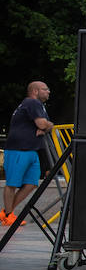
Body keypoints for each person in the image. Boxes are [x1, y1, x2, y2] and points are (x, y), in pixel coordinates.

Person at [4, 81, 54, 226]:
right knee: (12, 184)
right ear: (35, 91)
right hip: (18, 149)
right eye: (45, 89)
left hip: (32, 149)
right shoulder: (32, 103)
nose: (48, 92)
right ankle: (8, 215)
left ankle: (7, 211)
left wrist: (46, 126)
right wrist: (46, 125)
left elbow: (46, 125)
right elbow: (43, 124)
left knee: (32, 183)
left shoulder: (39, 106)